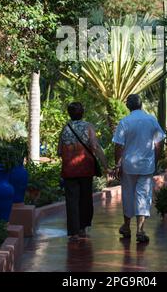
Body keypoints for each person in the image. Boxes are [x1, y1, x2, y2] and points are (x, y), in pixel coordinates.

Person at [112, 94, 165, 243]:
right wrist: (155, 160)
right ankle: (140, 230)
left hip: (128, 165)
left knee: (128, 195)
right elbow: (159, 143)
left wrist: (118, 164)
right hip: (147, 165)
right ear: (141, 105)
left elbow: (118, 146)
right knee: (143, 196)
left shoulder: (125, 122)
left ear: (128, 106)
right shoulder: (151, 120)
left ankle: (127, 227)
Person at [58, 102, 109, 241]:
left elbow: (59, 151)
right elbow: (95, 146)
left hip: (69, 170)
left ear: (69, 113)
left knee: (71, 200)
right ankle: (82, 229)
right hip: (85, 169)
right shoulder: (88, 127)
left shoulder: (65, 128)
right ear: (83, 113)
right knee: (85, 198)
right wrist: (105, 165)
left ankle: (73, 232)